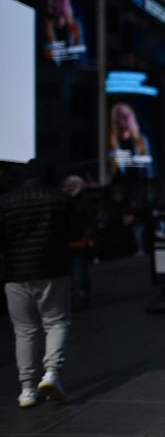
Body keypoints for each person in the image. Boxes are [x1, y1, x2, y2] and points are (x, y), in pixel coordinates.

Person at [0, 160, 77, 408]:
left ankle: (26, 390)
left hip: (16, 272)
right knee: (56, 322)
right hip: (54, 269)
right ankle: (51, 373)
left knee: (24, 331)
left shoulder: (6, 201)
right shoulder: (60, 199)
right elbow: (73, 233)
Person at [63, 175, 94, 309]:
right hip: (68, 240)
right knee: (70, 271)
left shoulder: (83, 201)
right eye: (67, 185)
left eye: (72, 185)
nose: (69, 187)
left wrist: (87, 236)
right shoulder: (64, 199)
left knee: (80, 268)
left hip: (80, 239)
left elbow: (90, 220)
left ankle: (82, 296)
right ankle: (72, 296)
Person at [108, 102, 154, 180]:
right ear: (115, 119)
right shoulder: (110, 142)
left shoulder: (142, 140)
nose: (127, 118)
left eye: (129, 114)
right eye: (122, 115)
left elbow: (149, 170)